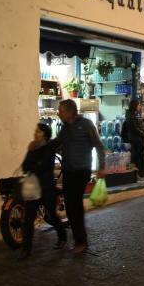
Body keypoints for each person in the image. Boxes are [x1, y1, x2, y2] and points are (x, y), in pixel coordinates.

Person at [53, 99, 106, 254]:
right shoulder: (65, 128)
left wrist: (101, 167)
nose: (59, 113)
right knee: (71, 205)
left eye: (61, 110)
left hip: (82, 170)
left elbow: (98, 145)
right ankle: (78, 239)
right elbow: (56, 143)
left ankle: (81, 241)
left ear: (70, 112)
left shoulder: (86, 125)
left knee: (74, 204)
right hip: (68, 170)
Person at [18, 122, 67, 261]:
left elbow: (44, 165)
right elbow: (25, 166)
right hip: (33, 188)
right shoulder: (32, 147)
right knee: (28, 219)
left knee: (51, 215)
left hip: (46, 188)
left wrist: (34, 166)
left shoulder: (50, 146)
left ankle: (62, 236)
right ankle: (26, 250)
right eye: (35, 130)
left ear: (45, 135)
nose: (35, 133)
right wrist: (35, 166)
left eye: (38, 131)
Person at [122, 99, 144, 181]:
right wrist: (143, 134)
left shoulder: (133, 114)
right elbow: (134, 128)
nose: (139, 106)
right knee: (134, 158)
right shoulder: (130, 115)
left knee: (136, 157)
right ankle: (133, 175)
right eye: (138, 105)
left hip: (136, 139)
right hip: (134, 139)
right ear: (135, 106)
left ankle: (136, 174)